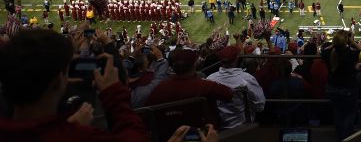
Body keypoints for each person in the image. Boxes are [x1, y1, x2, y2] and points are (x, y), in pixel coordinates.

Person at [0, 29, 149, 142]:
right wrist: (114, 94)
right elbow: (136, 137)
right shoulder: (77, 136)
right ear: (58, 80)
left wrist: (65, 125)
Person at [146, 48, 234, 127]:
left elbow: (147, 112)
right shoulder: (205, 85)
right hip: (203, 133)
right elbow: (229, 94)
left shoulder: (160, 88)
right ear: (194, 64)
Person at [205, 45, 266, 128]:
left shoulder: (210, 79)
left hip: (219, 127)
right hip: (244, 127)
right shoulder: (247, 79)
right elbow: (260, 106)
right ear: (237, 59)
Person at [322, 30, 360, 140]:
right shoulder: (350, 53)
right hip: (348, 88)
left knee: (338, 113)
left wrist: (334, 44)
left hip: (332, 88)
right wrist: (352, 42)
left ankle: (340, 137)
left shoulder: (327, 53)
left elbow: (323, 50)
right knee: (350, 114)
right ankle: (346, 138)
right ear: (346, 42)